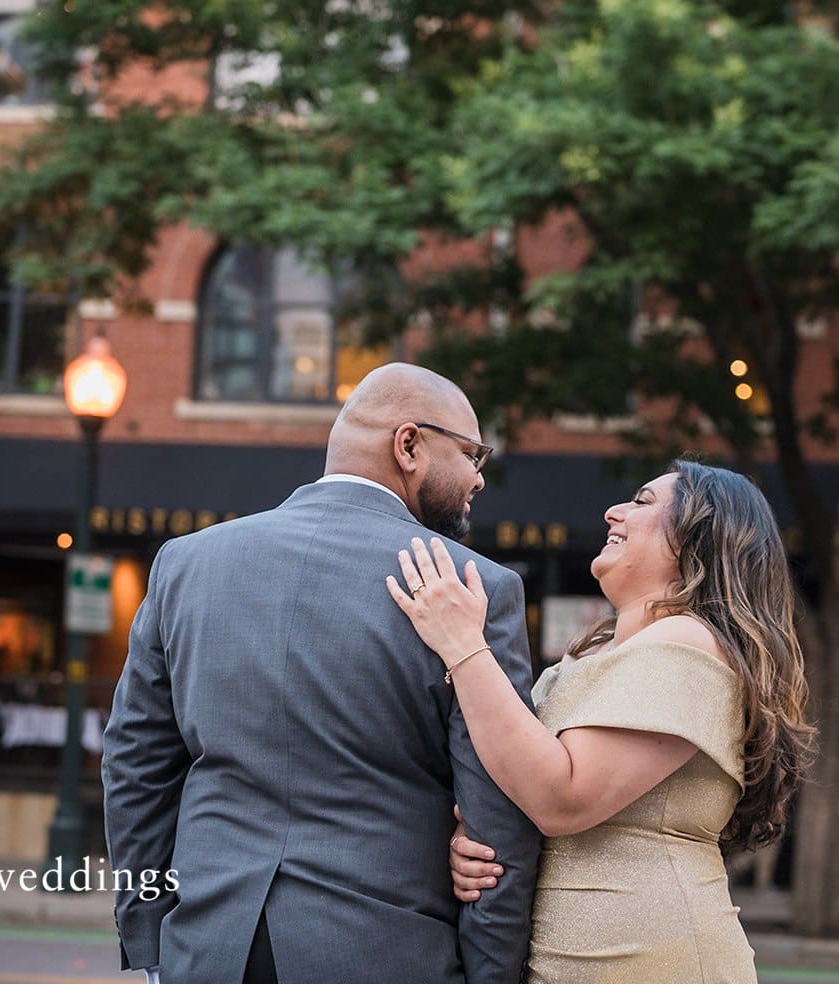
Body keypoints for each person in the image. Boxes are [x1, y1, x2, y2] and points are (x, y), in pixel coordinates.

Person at [102, 363, 539, 984]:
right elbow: (498, 819)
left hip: (206, 951)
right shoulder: (472, 588)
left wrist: (149, 942)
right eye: (472, 454)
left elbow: (135, 765)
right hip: (387, 955)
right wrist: (492, 975)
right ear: (408, 445)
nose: (478, 477)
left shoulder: (187, 563)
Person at [390, 461, 814, 983]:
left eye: (642, 502)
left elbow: (561, 797)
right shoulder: (592, 656)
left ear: (697, 538)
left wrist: (463, 645)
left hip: (648, 963)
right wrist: (475, 841)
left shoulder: (689, 645)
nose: (613, 511)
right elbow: (523, 778)